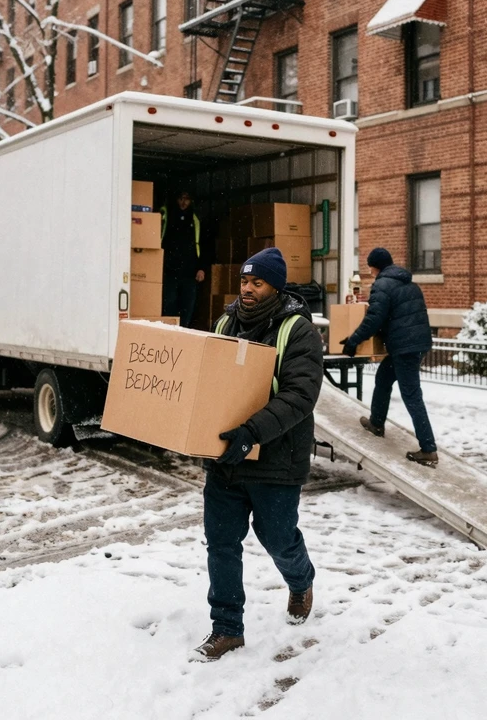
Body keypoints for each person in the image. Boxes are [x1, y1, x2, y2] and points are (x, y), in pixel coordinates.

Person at [192, 247, 325, 662]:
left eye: (257, 282)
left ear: (275, 286)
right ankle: (227, 628)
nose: (247, 289)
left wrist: (252, 433)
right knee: (221, 542)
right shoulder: (226, 321)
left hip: (276, 460)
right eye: (244, 282)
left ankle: (301, 581)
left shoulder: (297, 330)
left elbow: (300, 395)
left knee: (279, 540)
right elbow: (208, 382)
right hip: (227, 457)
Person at [341, 247, 438, 467]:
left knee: (412, 396)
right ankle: (376, 423)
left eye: (371, 268)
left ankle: (428, 449)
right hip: (415, 344)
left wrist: (352, 341)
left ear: (375, 267)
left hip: (404, 348)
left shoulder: (382, 285)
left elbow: (374, 319)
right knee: (383, 379)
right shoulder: (409, 284)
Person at [160, 189, 207, 327]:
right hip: (170, 270)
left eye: (186, 199)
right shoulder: (167, 216)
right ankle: (169, 332)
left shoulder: (195, 219)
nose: (183, 202)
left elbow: (204, 245)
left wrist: (201, 268)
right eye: (180, 198)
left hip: (190, 271)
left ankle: (183, 333)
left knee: (187, 306)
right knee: (169, 304)